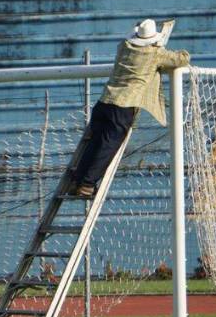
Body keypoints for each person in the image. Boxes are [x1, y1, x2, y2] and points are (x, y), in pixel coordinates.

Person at [69, 19, 190, 199]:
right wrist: (161, 47)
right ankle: (86, 184)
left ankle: (77, 180)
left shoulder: (123, 47)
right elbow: (182, 58)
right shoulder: (155, 53)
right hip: (123, 105)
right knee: (108, 146)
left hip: (104, 101)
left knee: (95, 143)